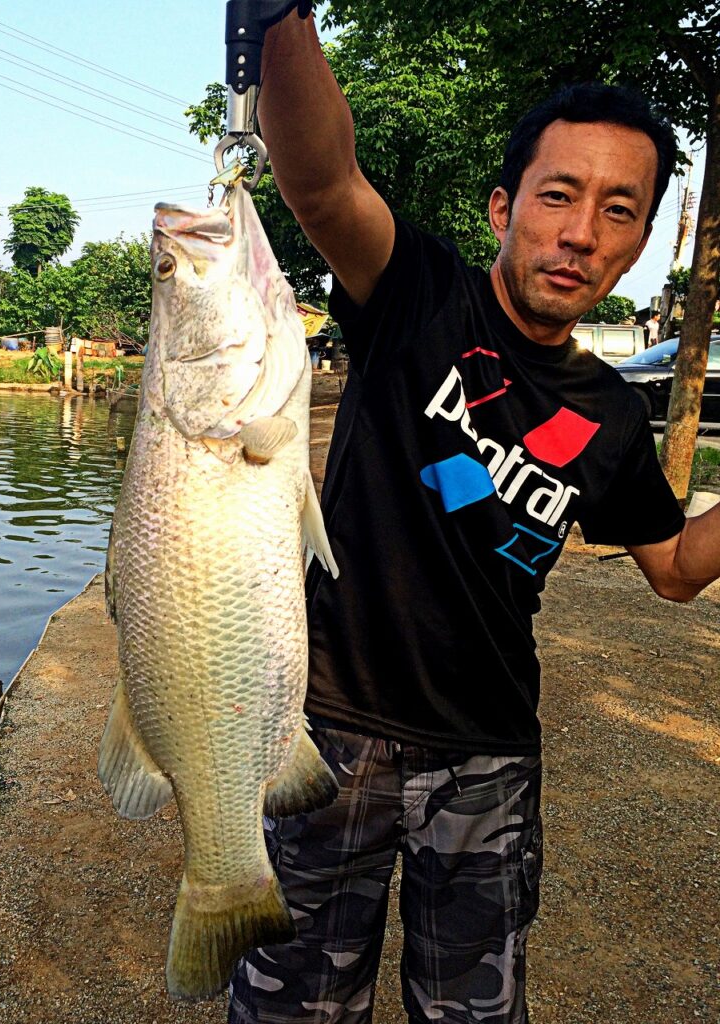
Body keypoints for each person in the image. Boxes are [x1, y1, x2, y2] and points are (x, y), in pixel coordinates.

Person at [228, 11, 720, 1024]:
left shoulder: (609, 415)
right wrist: (282, 19)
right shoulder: (416, 294)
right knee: (293, 1010)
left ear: (637, 245)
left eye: (617, 211)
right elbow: (321, 183)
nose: (578, 233)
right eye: (556, 195)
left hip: (488, 756)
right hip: (328, 732)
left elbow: (674, 568)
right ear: (503, 207)